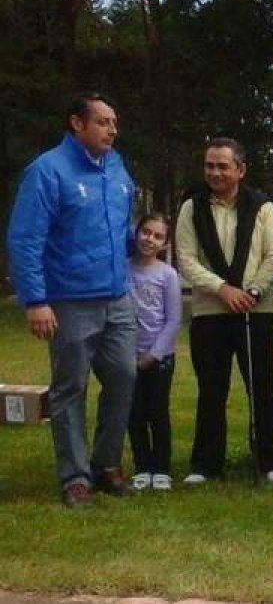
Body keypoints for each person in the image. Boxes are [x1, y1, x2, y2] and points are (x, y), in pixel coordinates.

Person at [7, 92, 138, 507]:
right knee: (70, 389)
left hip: (117, 297)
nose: (112, 131)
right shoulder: (47, 171)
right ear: (76, 124)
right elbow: (25, 239)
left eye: (114, 123)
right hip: (69, 301)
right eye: (103, 122)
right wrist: (35, 300)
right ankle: (75, 477)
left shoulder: (116, 168)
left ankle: (106, 465)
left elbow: (122, 226)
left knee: (124, 378)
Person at [175, 137, 273, 484]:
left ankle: (271, 460)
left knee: (261, 387)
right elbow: (186, 260)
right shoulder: (191, 208)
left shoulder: (262, 207)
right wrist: (222, 289)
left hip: (255, 310)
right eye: (210, 165)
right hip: (210, 312)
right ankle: (206, 464)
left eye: (223, 166)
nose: (215, 172)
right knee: (212, 389)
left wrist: (252, 291)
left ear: (241, 169)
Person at [127, 213, 183, 491]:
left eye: (158, 236)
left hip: (159, 357)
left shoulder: (167, 275)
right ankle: (142, 466)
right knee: (134, 412)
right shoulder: (123, 270)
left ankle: (161, 467)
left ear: (165, 244)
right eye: (146, 232)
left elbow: (173, 319)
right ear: (137, 233)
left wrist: (154, 354)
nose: (150, 239)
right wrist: (131, 354)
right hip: (128, 356)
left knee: (157, 410)